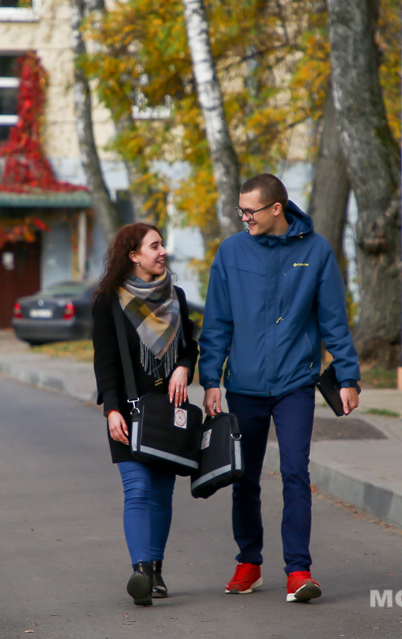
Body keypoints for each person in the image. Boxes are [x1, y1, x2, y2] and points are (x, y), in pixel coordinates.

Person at [198, 173, 360, 603]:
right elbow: (217, 323)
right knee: (244, 476)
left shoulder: (316, 251)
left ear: (276, 209)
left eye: (250, 210)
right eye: (240, 210)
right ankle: (249, 562)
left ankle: (299, 571)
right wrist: (210, 379)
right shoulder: (232, 252)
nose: (243, 217)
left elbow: (334, 321)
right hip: (244, 385)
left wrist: (348, 376)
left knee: (294, 473)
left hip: (295, 382)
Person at [91, 222, 199, 607]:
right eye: (154, 246)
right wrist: (111, 410)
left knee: (161, 495)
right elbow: (104, 362)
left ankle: (155, 568)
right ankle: (140, 571)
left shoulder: (177, 297)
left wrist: (185, 366)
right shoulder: (108, 301)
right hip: (128, 412)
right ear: (134, 255)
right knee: (136, 490)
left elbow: (190, 345)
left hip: (168, 413)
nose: (162, 251)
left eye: (162, 245)